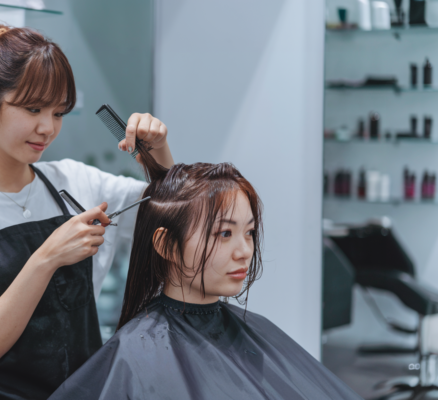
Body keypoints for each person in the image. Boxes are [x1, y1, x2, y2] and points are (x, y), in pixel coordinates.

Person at [0, 20, 173, 400]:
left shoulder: (75, 180)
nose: (47, 128)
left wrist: (156, 153)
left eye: (57, 113)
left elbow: (171, 212)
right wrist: (47, 257)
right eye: (33, 109)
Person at [48, 149, 362, 400]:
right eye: (224, 234)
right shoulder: (135, 355)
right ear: (167, 245)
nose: (244, 251)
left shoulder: (253, 330)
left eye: (250, 232)